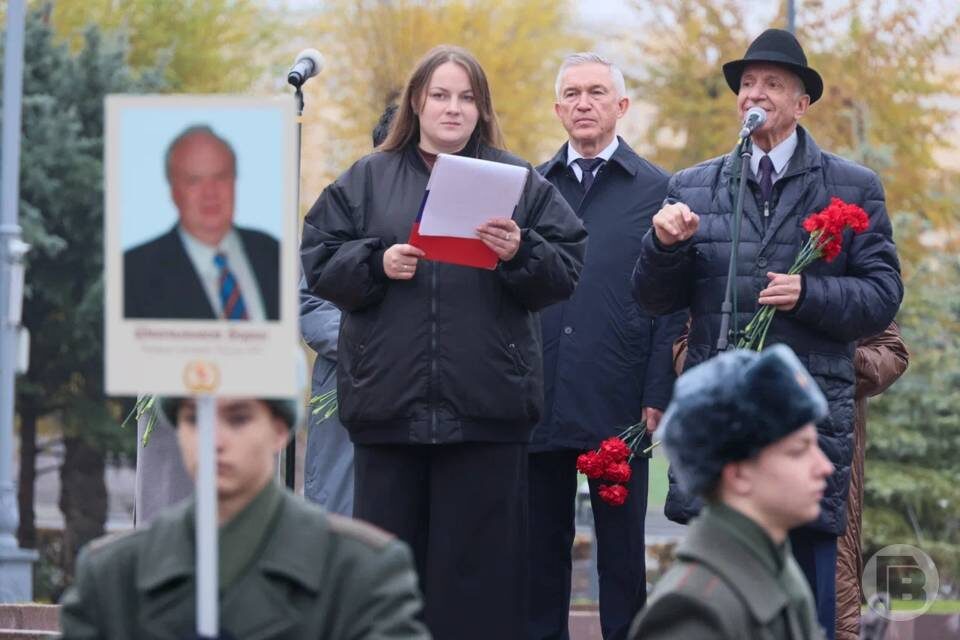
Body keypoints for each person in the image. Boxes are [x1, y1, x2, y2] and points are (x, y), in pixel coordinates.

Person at [300, 45, 587, 640]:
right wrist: (376, 262)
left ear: (481, 109)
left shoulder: (519, 182)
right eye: (440, 95)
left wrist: (520, 252)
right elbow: (319, 261)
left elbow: (566, 268)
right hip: (390, 414)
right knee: (387, 588)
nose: (452, 109)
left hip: (486, 417)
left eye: (466, 98)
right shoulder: (366, 179)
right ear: (416, 102)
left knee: (480, 593)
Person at [631, 28, 903, 639]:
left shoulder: (851, 186)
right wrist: (663, 245)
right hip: (728, 424)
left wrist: (810, 294)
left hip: (808, 420)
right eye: (747, 83)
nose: (755, 93)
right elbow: (653, 300)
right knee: (724, 590)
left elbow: (883, 295)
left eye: (772, 84)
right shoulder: (692, 186)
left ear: (803, 102)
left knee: (806, 597)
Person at [529, 52, 685, 640]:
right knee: (539, 554)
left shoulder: (658, 190)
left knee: (621, 560)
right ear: (558, 108)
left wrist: (657, 390)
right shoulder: (533, 188)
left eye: (597, 92)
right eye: (572, 93)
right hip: (540, 395)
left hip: (618, 402)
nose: (583, 103)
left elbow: (669, 301)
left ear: (621, 106)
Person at [60, 396, 430, 639]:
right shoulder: (111, 578)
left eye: (238, 419)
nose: (214, 440)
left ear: (280, 431)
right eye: (194, 419)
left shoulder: (362, 574)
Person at [629, 345, 831, 639]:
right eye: (799, 450)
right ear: (738, 474)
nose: (823, 466)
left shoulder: (777, 568)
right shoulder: (694, 610)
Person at [300, 105, 398, 516]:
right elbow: (309, 301)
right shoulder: (343, 205)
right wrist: (377, 346)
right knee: (342, 516)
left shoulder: (460, 214)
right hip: (348, 387)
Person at [124, 125, 280, 320]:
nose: (210, 193)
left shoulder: (276, 254)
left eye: (221, 177)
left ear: (234, 181)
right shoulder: (132, 274)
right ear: (173, 191)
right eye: (194, 181)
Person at [836, 322, 908, 640]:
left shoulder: (844, 273)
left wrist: (826, 361)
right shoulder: (722, 272)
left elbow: (891, 354)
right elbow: (686, 343)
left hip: (831, 473)